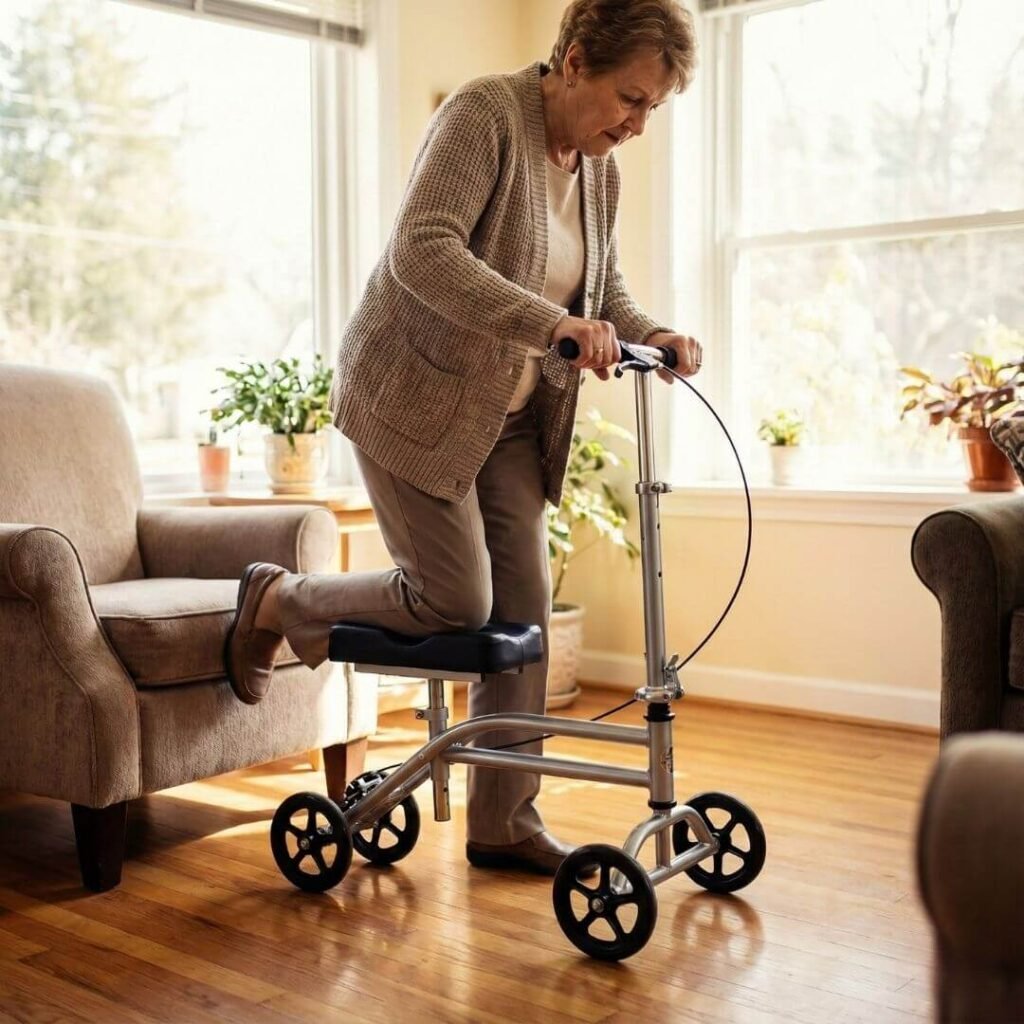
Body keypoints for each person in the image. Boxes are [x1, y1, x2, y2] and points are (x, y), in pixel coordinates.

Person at [224, 0, 701, 877]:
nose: (637, 124)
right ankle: (282, 600)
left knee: (524, 616)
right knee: (456, 600)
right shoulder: (485, 114)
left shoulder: (598, 170)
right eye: (630, 99)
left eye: (653, 109)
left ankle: (503, 821)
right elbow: (424, 249)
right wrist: (551, 325)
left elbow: (599, 294)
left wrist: (652, 333)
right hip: (411, 397)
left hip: (511, 417)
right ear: (575, 59)